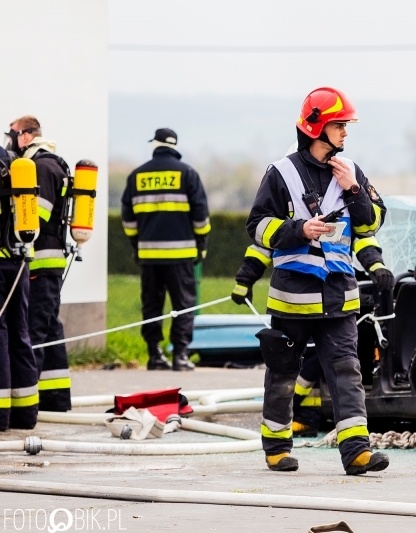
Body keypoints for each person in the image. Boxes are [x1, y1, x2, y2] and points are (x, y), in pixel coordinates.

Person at [243, 86, 389, 475]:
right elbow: (257, 226)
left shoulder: (351, 171)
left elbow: (371, 223)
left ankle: (357, 451)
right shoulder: (281, 173)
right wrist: (298, 229)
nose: (345, 132)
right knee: (283, 373)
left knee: (346, 372)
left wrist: (354, 190)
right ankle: (277, 447)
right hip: (292, 296)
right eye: (339, 125)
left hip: (339, 295)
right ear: (316, 128)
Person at [231, 236, 395, 437]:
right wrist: (244, 280)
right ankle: (298, 418)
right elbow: (266, 242)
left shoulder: (347, 214)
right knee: (297, 361)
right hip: (296, 301)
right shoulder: (289, 215)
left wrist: (376, 265)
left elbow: (362, 237)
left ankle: (309, 419)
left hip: (336, 296)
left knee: (333, 361)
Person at [120, 128, 211, 371]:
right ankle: (180, 355)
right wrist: (201, 244)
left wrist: (136, 245)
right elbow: (201, 216)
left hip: (149, 256)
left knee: (152, 305)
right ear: (174, 146)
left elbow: (128, 220)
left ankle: (154, 355)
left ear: (155, 144)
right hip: (181, 255)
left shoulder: (137, 175)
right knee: (184, 305)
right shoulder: (187, 173)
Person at [8, 116, 71, 412]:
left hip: (40, 263)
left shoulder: (41, 167)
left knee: (32, 330)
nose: (10, 141)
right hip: (48, 263)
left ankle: (27, 403)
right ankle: (55, 398)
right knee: (49, 329)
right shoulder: (48, 163)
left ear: (25, 136)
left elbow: (36, 219)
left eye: (12, 135)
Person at [0, 144, 39, 430]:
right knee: (20, 333)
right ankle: (25, 414)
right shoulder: (14, 163)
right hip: (19, 262)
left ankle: (1, 415)